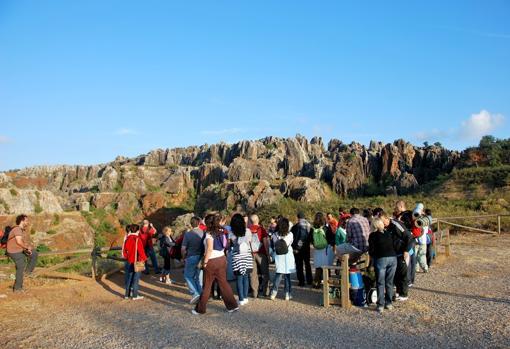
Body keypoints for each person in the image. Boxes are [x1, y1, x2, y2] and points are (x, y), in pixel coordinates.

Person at [193, 213, 238, 315]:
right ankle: (232, 306)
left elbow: (209, 249)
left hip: (212, 261)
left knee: (207, 285)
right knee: (223, 283)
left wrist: (205, 262)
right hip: (222, 259)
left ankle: (200, 309)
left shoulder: (209, 234)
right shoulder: (222, 231)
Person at [368, 217, 397, 313]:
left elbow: (371, 251)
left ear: (373, 225)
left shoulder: (372, 235)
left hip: (381, 259)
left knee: (380, 283)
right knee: (389, 282)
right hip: (393, 258)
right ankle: (389, 303)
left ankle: (380, 305)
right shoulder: (388, 233)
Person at [382, 211, 412, 302]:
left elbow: (409, 237)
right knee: (395, 274)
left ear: (387, 219)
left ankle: (404, 294)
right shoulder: (385, 227)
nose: (382, 224)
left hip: (402, 252)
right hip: (393, 254)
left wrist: (406, 250)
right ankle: (398, 292)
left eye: (383, 221)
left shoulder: (396, 225)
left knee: (402, 274)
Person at [6, 215, 38, 292]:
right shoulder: (17, 229)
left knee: (34, 253)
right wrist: (27, 248)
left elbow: (21, 242)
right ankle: (17, 288)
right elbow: (19, 242)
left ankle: (28, 272)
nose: (28, 222)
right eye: (26, 221)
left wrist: (27, 248)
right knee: (21, 266)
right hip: (13, 251)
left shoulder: (21, 229)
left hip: (19, 249)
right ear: (22, 221)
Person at [230, 214, 254, 305]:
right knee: (246, 277)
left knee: (239, 278)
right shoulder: (248, 231)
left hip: (237, 255)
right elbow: (249, 242)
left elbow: (231, 244)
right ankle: (245, 297)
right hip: (246, 254)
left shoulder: (231, 233)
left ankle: (240, 299)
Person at [270, 217, 295, 301]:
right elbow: (291, 242)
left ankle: (273, 293)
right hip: (288, 256)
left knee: (278, 275)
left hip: (279, 256)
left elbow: (274, 244)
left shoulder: (274, 235)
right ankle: (287, 294)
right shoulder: (290, 234)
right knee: (287, 276)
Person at [181, 216, 205, 304]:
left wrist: (183, 257)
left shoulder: (188, 234)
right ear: (199, 223)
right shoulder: (203, 233)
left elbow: (183, 249)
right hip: (201, 257)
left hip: (191, 257)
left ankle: (195, 294)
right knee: (199, 278)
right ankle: (201, 295)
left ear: (191, 224)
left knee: (188, 276)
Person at [122, 224, 147, 300]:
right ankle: (135, 295)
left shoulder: (127, 238)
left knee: (129, 278)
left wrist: (128, 257)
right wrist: (144, 259)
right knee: (136, 279)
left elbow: (124, 251)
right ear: (138, 230)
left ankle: (127, 295)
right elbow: (141, 252)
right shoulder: (137, 239)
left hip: (129, 261)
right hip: (137, 262)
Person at [310, 212, 335, 288]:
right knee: (326, 267)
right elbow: (331, 238)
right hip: (326, 249)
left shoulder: (313, 229)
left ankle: (316, 283)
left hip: (317, 250)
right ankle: (328, 284)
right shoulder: (326, 228)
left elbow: (311, 240)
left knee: (318, 267)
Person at [249, 214, 269, 298]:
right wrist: (267, 254)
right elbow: (265, 242)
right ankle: (265, 292)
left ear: (250, 221)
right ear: (258, 220)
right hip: (261, 253)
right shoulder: (261, 229)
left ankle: (254, 292)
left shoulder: (247, 230)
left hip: (250, 253)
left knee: (253, 273)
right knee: (265, 273)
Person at [291, 212, 313, 286]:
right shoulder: (309, 225)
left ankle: (301, 281)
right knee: (307, 264)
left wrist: (297, 247)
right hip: (307, 248)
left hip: (299, 249)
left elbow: (299, 238)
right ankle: (309, 280)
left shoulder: (297, 226)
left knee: (299, 265)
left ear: (298, 217)